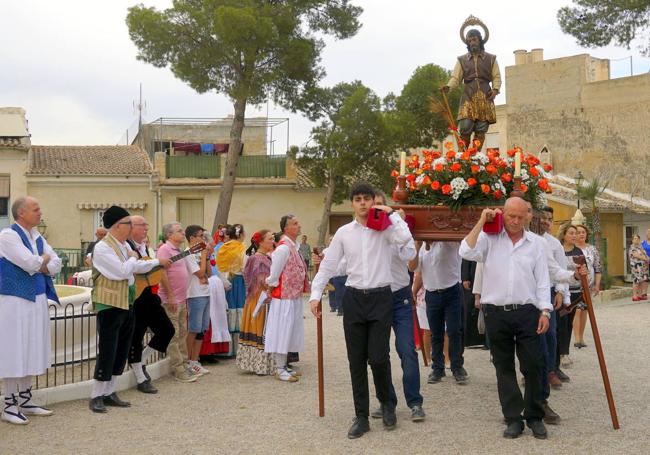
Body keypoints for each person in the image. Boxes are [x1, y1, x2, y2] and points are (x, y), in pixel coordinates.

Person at [309, 182, 412, 439]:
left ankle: (388, 404)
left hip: (381, 297)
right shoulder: (344, 233)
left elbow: (407, 245)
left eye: (367, 198)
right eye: (358, 199)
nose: (363, 203)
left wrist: (390, 215)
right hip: (354, 298)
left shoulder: (386, 228)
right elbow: (329, 265)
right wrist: (314, 294)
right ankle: (362, 416)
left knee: (378, 357)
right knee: (356, 360)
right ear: (352, 203)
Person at [459, 197, 551, 440]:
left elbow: (542, 280)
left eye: (521, 217)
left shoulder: (536, 245)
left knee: (533, 365)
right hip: (495, 311)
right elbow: (465, 250)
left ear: (528, 216)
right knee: (503, 366)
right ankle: (513, 418)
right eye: (511, 216)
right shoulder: (488, 239)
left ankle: (534, 416)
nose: (516, 221)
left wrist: (545, 310)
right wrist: (482, 221)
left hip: (527, 311)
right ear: (503, 214)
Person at [88, 206, 170, 413]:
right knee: (108, 348)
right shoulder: (103, 247)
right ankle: (96, 394)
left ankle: (110, 391)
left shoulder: (123, 246)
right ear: (117, 226)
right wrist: (134, 257)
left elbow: (137, 268)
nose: (132, 227)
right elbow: (121, 272)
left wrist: (155, 262)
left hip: (126, 302)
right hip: (109, 304)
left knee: (122, 348)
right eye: (129, 223)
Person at [0, 197, 61, 425]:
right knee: (15, 348)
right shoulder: (8, 235)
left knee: (32, 346)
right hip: (15, 301)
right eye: (36, 209)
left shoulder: (37, 236)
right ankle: (8, 404)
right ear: (22, 213)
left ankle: (25, 399)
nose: (40, 212)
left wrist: (41, 262)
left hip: (37, 298)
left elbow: (57, 263)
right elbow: (31, 263)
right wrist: (42, 261)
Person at [369, 191, 424, 422]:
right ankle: (387, 401)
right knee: (378, 355)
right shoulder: (366, 233)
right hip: (376, 298)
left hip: (400, 297)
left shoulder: (397, 230)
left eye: (382, 205)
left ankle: (415, 403)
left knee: (407, 351)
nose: (379, 209)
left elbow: (412, 263)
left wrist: (403, 228)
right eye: (375, 206)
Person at [127, 216, 175, 394]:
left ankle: (140, 360)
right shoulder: (126, 247)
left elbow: (150, 270)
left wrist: (158, 267)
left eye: (147, 225)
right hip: (136, 298)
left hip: (149, 295)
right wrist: (156, 263)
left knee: (167, 330)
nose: (146, 228)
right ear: (131, 227)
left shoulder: (145, 247)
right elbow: (135, 267)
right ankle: (140, 376)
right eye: (142, 225)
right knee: (136, 337)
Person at [411, 240, 467, 385]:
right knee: (435, 332)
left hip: (452, 291)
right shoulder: (422, 247)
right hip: (432, 293)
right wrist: (417, 245)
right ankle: (437, 368)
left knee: (454, 331)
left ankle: (457, 366)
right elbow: (415, 268)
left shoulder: (451, 243)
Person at [442, 25, 501, 152]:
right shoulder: (462, 60)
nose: (472, 42)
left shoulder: (491, 59)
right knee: (465, 125)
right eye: (469, 40)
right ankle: (463, 155)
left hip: (485, 95)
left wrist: (495, 90)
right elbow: (455, 78)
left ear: (480, 40)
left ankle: (476, 155)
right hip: (468, 95)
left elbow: (496, 76)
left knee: (481, 127)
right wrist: (448, 87)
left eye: (474, 39)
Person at [265, 215, 309, 382]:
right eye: (295, 224)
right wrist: (270, 284)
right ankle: (279, 367)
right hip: (283, 297)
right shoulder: (283, 248)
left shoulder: (292, 247)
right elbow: (274, 274)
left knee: (290, 331)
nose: (299, 226)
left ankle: (284, 365)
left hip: (292, 296)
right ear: (286, 228)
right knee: (282, 330)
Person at [158, 222, 197, 382]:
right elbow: (161, 272)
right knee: (174, 335)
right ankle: (178, 369)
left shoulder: (177, 250)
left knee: (182, 333)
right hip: (171, 300)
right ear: (169, 235)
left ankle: (185, 364)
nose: (183, 233)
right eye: (179, 231)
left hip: (182, 298)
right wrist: (171, 295)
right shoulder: (164, 249)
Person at [237, 230, 275, 375]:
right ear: (260, 242)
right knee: (261, 328)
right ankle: (259, 364)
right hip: (259, 298)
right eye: (270, 238)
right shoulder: (256, 259)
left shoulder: (267, 257)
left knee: (266, 329)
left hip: (265, 297)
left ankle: (266, 363)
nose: (273, 241)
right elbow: (261, 280)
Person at [555, 223, 584, 378]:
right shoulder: (557, 249)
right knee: (559, 325)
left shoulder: (578, 252)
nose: (574, 235)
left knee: (568, 325)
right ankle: (557, 356)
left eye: (576, 233)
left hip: (574, 294)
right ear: (564, 234)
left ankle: (564, 353)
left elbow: (583, 272)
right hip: (560, 293)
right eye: (571, 233)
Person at [185, 225, 212, 376]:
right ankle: (188, 361)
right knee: (194, 329)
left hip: (205, 292)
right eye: (200, 235)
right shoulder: (187, 254)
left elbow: (208, 272)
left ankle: (195, 361)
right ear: (192, 238)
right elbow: (199, 273)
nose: (203, 238)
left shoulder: (201, 253)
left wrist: (206, 257)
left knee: (202, 329)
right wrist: (203, 255)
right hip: (195, 294)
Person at [216, 223, 247, 358]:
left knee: (229, 311)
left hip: (226, 281)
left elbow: (218, 265)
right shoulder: (241, 248)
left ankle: (227, 349)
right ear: (240, 235)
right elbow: (245, 267)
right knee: (239, 310)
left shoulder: (223, 247)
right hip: (239, 281)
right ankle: (238, 348)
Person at [573, 224, 602, 348]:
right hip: (574, 284)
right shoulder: (571, 249)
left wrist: (597, 285)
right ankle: (577, 338)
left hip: (588, 286)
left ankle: (582, 336)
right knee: (577, 310)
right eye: (578, 232)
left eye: (583, 232)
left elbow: (598, 267)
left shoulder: (592, 249)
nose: (581, 234)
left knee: (585, 310)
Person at [628, 234, 649, 301]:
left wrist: (646, 258)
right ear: (632, 240)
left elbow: (646, 255)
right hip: (636, 267)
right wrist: (645, 258)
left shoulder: (640, 247)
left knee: (641, 281)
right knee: (636, 281)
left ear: (639, 240)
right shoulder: (632, 247)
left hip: (643, 268)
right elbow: (636, 255)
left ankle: (639, 295)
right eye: (635, 238)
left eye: (637, 238)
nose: (636, 240)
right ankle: (634, 296)